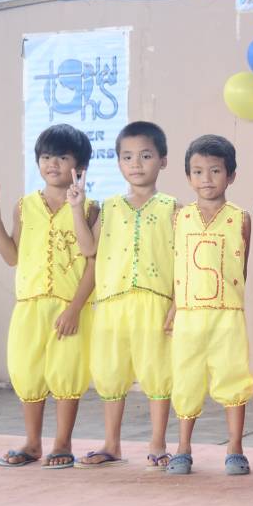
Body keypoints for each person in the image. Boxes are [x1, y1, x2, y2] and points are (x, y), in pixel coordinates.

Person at [0, 124, 96, 469]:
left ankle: (62, 443)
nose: (53, 164)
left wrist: (75, 308)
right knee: (27, 371)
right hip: (30, 303)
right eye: (46, 156)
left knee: (66, 372)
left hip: (69, 306)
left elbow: (93, 262)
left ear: (80, 166)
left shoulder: (91, 209)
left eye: (63, 157)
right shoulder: (24, 206)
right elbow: (12, 256)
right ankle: (32, 443)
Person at [68, 122, 177, 469]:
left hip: (154, 301)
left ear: (162, 160)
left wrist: (177, 303)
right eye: (127, 156)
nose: (136, 163)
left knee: (157, 372)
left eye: (145, 155)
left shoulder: (174, 208)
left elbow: (182, 261)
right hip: (112, 301)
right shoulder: (110, 207)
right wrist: (76, 208)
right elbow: (90, 250)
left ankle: (158, 442)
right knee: (110, 371)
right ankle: (111, 443)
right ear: (117, 163)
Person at [165, 135, 253, 476]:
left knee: (233, 375)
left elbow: (241, 267)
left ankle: (235, 447)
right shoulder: (179, 217)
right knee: (186, 378)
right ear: (188, 176)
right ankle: (183, 447)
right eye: (198, 171)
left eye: (215, 171)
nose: (206, 179)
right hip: (189, 315)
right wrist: (175, 305)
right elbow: (176, 265)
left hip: (227, 315)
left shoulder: (240, 218)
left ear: (231, 175)